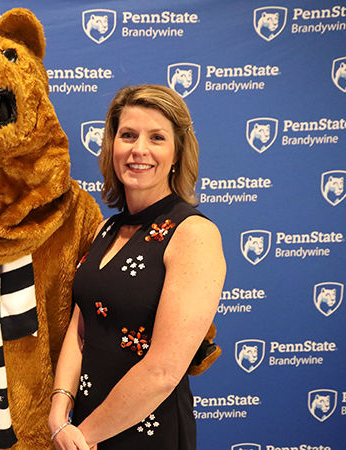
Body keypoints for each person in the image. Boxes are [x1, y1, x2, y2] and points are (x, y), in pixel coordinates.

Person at [48, 84, 226, 449]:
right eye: (128, 135)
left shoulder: (194, 235)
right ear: (112, 145)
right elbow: (81, 327)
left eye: (156, 137)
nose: (139, 149)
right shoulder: (105, 228)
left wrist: (85, 437)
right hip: (79, 430)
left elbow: (163, 371)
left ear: (177, 153)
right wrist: (59, 408)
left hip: (144, 434)